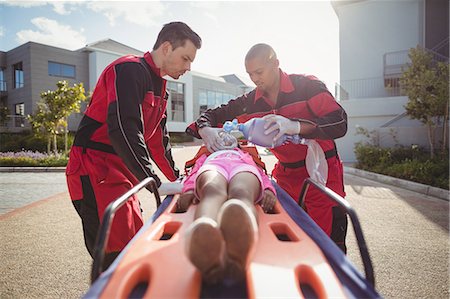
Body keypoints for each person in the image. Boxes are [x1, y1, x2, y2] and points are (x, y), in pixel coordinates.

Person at [186, 43, 349, 252]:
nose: (255, 79)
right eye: (250, 74)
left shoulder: (307, 86)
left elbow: (339, 122)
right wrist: (205, 130)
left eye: (259, 72)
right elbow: (210, 116)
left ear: (276, 63)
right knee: (287, 244)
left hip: (323, 176)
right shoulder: (250, 102)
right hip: (286, 178)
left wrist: (295, 126)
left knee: (329, 249)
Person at [65, 22, 202, 269]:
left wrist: (178, 179)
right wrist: (154, 182)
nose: (188, 67)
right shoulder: (128, 70)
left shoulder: (161, 87)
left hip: (124, 173)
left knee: (136, 242)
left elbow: (159, 141)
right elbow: (123, 129)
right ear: (167, 47)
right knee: (114, 255)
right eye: (185, 58)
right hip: (96, 169)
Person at [176, 140, 277, 284]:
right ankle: (205, 240)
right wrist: (189, 189)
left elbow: (261, 173)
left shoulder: (246, 155)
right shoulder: (207, 155)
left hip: (243, 167)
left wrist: (268, 189)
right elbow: (194, 172)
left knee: (241, 191)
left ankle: (238, 254)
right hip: (214, 166)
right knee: (213, 191)